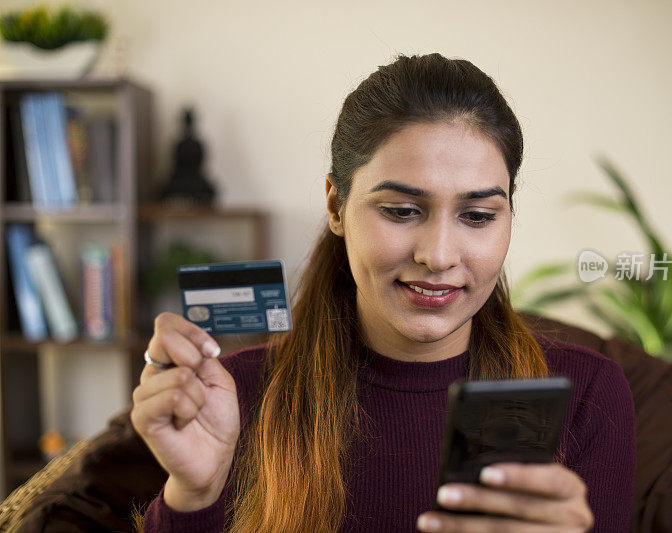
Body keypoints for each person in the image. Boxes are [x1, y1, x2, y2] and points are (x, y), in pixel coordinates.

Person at [131, 52, 635, 533]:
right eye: (400, 211)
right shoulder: (232, 398)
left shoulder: (587, 395)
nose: (438, 257)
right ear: (335, 205)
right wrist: (193, 497)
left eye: (478, 216)